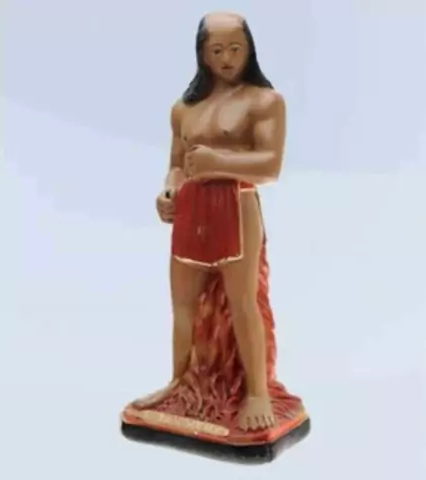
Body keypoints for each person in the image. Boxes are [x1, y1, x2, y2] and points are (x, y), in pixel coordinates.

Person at [129, 11, 305, 434]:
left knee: (243, 302)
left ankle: (257, 392)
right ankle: (180, 382)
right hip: (192, 209)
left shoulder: (264, 102)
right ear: (203, 54)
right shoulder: (184, 108)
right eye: (217, 50)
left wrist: (217, 162)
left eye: (235, 49)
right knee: (183, 305)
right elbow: (177, 165)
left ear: (250, 49)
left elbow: (270, 166)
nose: (227, 58)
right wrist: (168, 193)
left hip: (237, 205)